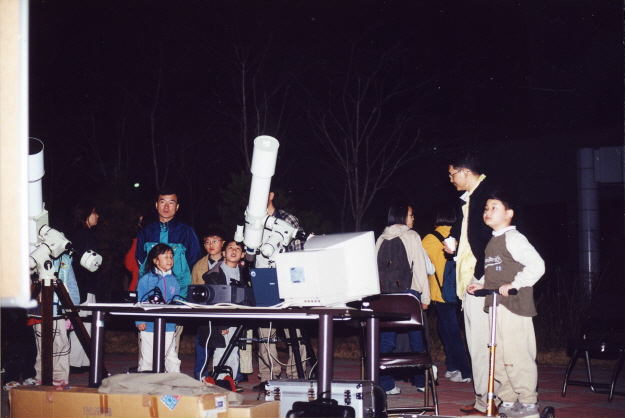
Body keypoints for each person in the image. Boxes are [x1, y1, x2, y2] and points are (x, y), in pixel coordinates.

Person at [467, 191, 544, 418]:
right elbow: (494, 271)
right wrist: (479, 284)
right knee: (497, 355)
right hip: (495, 306)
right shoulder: (494, 240)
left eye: (494, 208)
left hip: (514, 307)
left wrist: (516, 284)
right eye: (486, 208)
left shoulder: (514, 238)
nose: (488, 212)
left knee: (517, 355)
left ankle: (528, 403)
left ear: (509, 213)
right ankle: (509, 401)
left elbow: (537, 265)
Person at [443, 150, 498, 416]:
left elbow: (492, 239)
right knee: (476, 342)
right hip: (470, 280)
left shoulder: (488, 196)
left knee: (482, 343)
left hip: (481, 280)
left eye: (453, 174)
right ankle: (483, 400)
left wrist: (482, 276)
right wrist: (452, 240)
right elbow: (467, 232)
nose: (451, 179)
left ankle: (491, 402)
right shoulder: (470, 199)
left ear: (465, 171)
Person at [253, 191, 307, 392]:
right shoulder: (252, 222)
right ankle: (268, 376)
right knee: (265, 332)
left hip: (287, 279)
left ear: (271, 195)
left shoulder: (287, 219)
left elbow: (299, 250)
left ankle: (296, 373)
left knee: (296, 332)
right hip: (263, 277)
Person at [375, 203, 431, 395]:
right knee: (417, 339)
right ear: (400, 216)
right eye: (410, 214)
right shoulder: (412, 236)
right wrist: (425, 296)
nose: (413, 218)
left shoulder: (381, 238)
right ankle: (421, 382)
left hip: (384, 296)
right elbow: (419, 268)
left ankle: (386, 384)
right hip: (409, 294)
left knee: (385, 341)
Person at [422, 204, 472, 384]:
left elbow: (422, 266)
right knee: (445, 329)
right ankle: (452, 367)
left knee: (451, 332)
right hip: (458, 291)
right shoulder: (459, 237)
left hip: (441, 293)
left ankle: (465, 371)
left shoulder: (429, 239)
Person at [202, 240, 249, 385]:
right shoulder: (214, 274)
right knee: (221, 350)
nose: (233, 251)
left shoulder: (244, 273)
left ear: (242, 254)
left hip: (237, 318)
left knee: (234, 352)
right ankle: (219, 381)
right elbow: (214, 301)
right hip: (221, 320)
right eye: (230, 248)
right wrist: (222, 323)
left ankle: (231, 382)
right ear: (223, 253)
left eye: (237, 249)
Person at [33, 253, 80, 385]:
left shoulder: (65, 260)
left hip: (59, 309)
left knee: (61, 344)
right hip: (39, 310)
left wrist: (72, 311)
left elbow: (72, 286)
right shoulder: (36, 256)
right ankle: (41, 374)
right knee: (41, 344)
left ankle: (60, 375)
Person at [135, 243, 181, 373]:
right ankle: (146, 381)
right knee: (148, 356)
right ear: (155, 260)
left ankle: (175, 380)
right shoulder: (146, 279)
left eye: (171, 256)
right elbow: (139, 301)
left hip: (168, 326)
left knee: (170, 355)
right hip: (149, 326)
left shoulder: (174, 281)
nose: (170, 259)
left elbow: (177, 302)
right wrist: (139, 320)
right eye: (165, 256)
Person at [69, 200, 102, 371]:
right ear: (86, 215)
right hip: (84, 288)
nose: (97, 216)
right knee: (83, 325)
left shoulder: (77, 235)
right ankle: (75, 362)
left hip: (83, 287)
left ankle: (84, 362)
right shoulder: (85, 235)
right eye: (94, 212)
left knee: (86, 324)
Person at [191, 227, 226, 380]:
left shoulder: (230, 262)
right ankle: (200, 374)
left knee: (226, 344)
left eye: (215, 241)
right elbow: (193, 287)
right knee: (202, 343)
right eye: (207, 242)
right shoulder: (199, 265)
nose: (211, 245)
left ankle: (228, 375)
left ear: (223, 243)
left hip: (225, 310)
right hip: (204, 310)